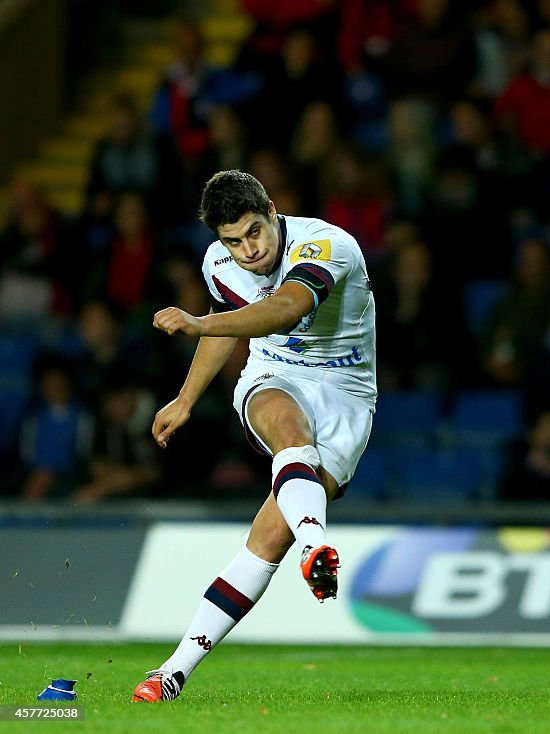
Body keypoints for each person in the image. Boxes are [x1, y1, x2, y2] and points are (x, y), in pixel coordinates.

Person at [131, 170, 377, 702]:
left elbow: (285, 308)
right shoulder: (220, 265)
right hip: (274, 376)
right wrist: (186, 398)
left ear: (271, 209)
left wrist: (198, 325)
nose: (248, 251)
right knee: (289, 431)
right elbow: (232, 319)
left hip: (346, 397)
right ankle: (316, 548)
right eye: (232, 241)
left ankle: (178, 666)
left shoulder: (327, 244)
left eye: (254, 232)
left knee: (266, 542)